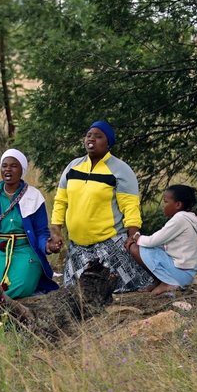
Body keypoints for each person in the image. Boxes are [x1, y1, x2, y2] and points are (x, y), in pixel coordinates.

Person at [47, 121, 154, 292]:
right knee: (78, 290)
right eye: (89, 135)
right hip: (78, 247)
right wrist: (56, 231)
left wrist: (133, 235)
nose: (92, 139)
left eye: (98, 136)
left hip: (109, 245)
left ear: (108, 142)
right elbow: (60, 201)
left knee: (119, 286)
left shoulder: (120, 170)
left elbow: (130, 206)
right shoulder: (73, 166)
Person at [0, 149, 57, 299]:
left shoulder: (34, 196)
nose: (8, 169)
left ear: (22, 170)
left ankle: (0, 308)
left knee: (20, 285)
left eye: (14, 166)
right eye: (4, 166)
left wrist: (47, 246)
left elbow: (41, 232)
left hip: (25, 252)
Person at [128, 185, 197, 295]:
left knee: (135, 248)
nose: (163, 205)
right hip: (187, 273)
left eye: (166, 202)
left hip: (182, 274)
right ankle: (160, 281)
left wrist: (136, 237)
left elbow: (153, 241)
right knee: (150, 248)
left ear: (178, 204)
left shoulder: (179, 219)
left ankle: (168, 282)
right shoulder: (185, 218)